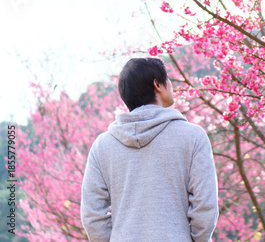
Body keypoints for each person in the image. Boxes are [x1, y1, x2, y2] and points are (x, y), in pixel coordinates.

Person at [81, 57, 218, 242]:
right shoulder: (193, 137)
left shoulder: (102, 146)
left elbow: (92, 215)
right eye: (167, 79)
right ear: (157, 85)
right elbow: (205, 207)